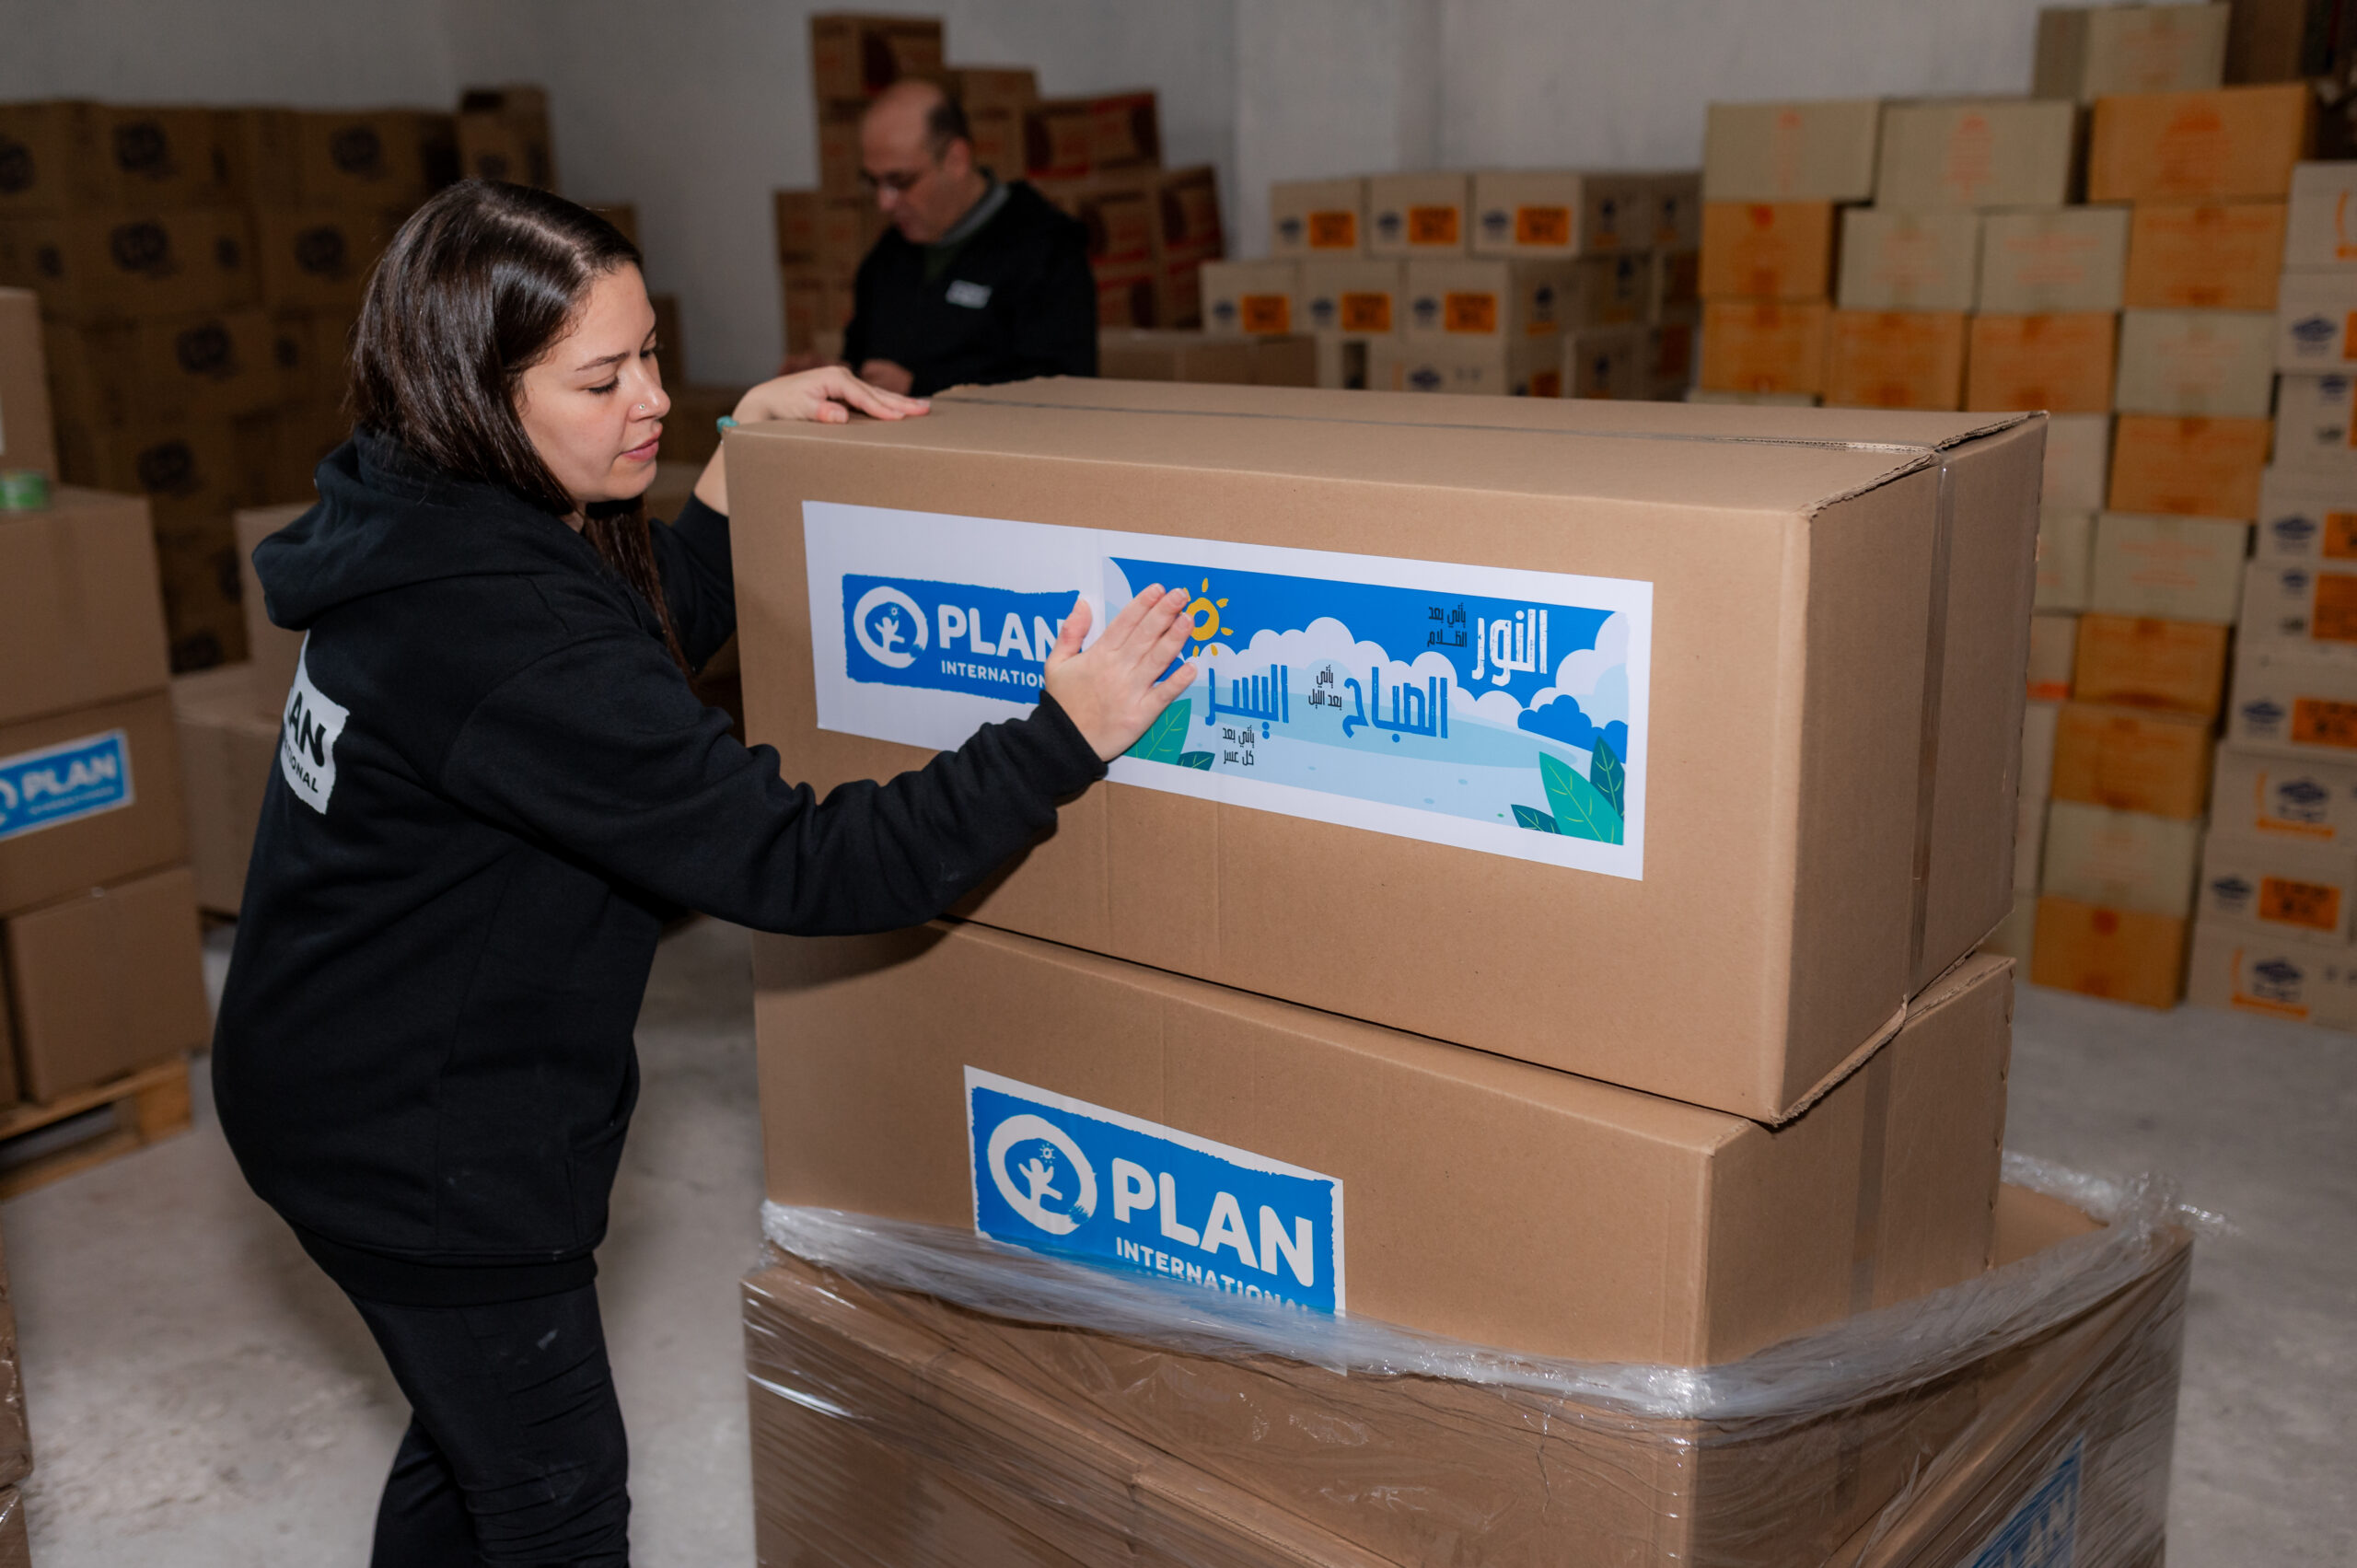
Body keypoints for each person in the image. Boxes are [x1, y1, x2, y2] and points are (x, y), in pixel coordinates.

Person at [210, 180, 1194, 1567]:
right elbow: (802, 863)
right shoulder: (499, 631)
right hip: (423, 1149)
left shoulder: (416, 515)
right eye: (603, 377)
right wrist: (1055, 739)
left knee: (474, 1437)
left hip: (324, 1070)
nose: (655, 400)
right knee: (554, 1498)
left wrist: (732, 479)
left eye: (653, 353)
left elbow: (614, 648)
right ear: (476, 393)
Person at [809, 76, 1097, 395]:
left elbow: (1065, 382)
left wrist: (923, 385)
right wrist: (835, 376)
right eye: (873, 182)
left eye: (899, 181)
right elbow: (862, 352)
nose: (884, 203)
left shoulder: (1045, 247)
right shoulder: (889, 254)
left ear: (956, 160)